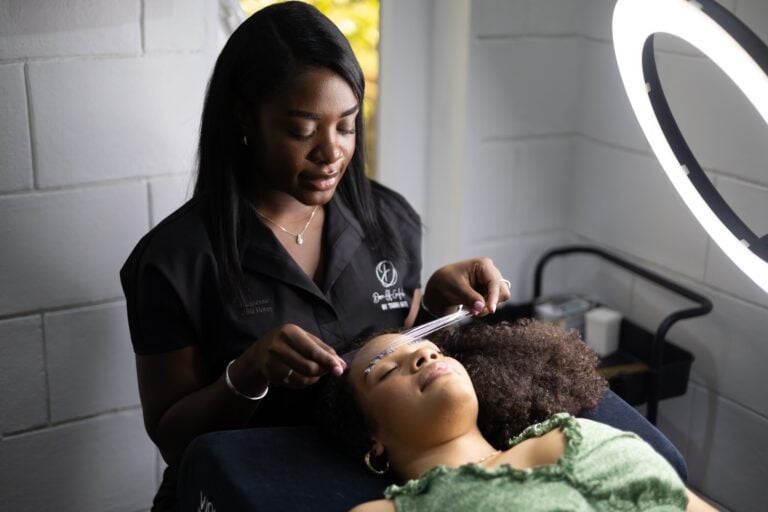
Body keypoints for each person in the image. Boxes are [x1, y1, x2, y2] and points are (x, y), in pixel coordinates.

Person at [119, 2, 509, 510]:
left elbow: (396, 361)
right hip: (235, 491)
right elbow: (174, 440)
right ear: (244, 118)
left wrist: (438, 309)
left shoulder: (388, 220)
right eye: (302, 131)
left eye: (346, 126)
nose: (331, 153)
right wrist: (248, 372)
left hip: (363, 489)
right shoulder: (174, 261)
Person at [319, 321, 716, 511]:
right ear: (373, 439)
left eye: (433, 351)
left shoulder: (579, 431)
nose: (425, 355)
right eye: (387, 370)